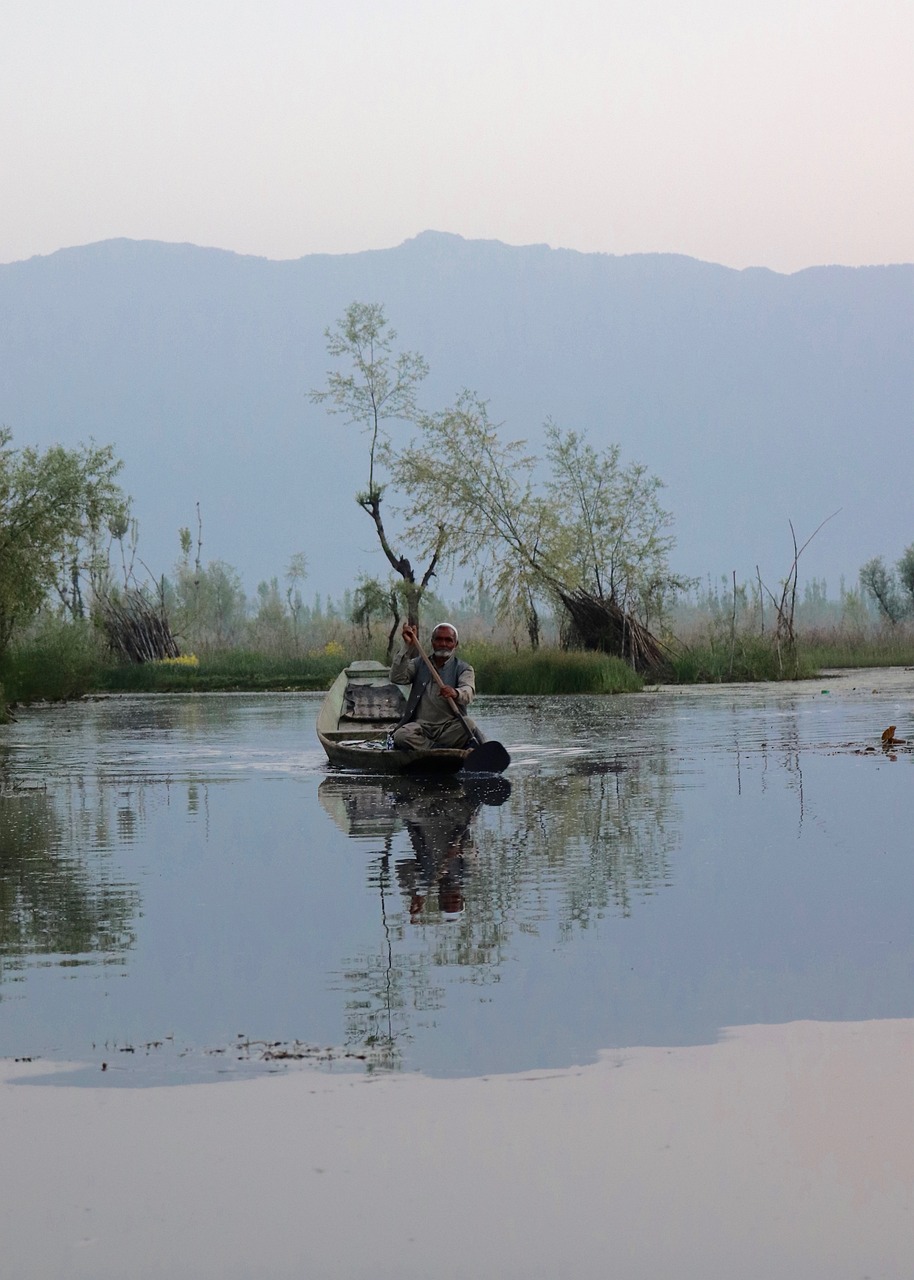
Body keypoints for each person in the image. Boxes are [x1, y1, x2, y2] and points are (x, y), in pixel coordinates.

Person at [389, 621, 479, 750]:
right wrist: (407, 647)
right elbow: (396, 677)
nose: (443, 644)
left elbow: (468, 692)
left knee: (469, 724)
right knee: (401, 735)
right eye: (439, 640)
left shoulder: (464, 669)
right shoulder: (418, 664)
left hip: (448, 728)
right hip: (420, 727)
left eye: (448, 640)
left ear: (455, 644)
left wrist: (455, 693)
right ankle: (436, 748)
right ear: (432, 642)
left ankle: (429, 747)